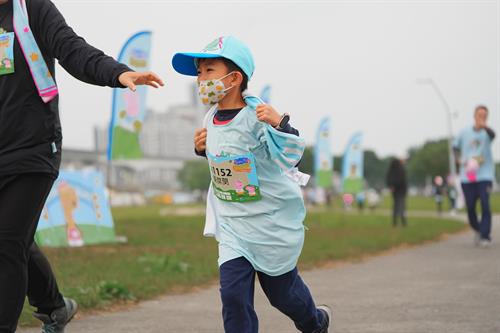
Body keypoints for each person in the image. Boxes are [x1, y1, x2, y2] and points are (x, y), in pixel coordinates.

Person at [0, 0, 164, 332]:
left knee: (6, 242)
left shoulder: (33, 8)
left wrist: (117, 72)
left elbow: (72, 49)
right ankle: (54, 307)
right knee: (15, 237)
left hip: (33, 147)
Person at [172, 36, 331, 333]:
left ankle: (315, 322)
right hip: (234, 228)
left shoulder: (256, 116)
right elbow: (224, 160)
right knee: (233, 297)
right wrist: (201, 149)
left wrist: (281, 124)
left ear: (234, 77)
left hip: (269, 225)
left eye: (208, 70)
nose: (200, 79)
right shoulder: (210, 118)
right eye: (198, 73)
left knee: (283, 296)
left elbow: (291, 158)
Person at [453, 105, 496, 247]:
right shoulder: (464, 132)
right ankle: (478, 229)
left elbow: (493, 135)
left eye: (484, 115)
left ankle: (485, 236)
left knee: (485, 204)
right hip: (468, 176)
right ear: (474, 116)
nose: (481, 117)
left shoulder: (487, 134)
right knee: (470, 207)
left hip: (484, 175)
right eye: (479, 115)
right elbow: (455, 147)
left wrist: (485, 127)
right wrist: (458, 159)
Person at [386, 158, 408, 227]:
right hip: (401, 191)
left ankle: (395, 222)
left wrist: (392, 186)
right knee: (401, 207)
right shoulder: (401, 170)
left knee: (395, 206)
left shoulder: (391, 171)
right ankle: (403, 222)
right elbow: (402, 181)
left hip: (395, 191)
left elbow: (388, 179)